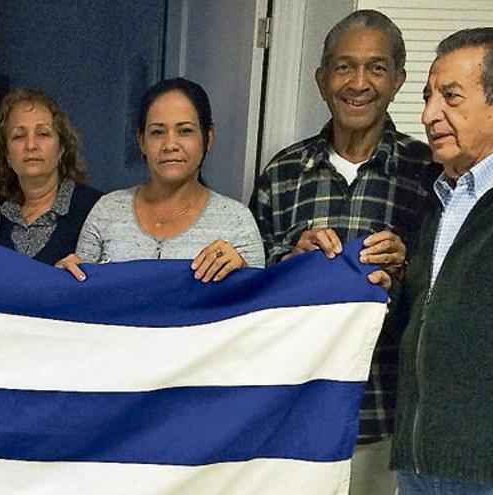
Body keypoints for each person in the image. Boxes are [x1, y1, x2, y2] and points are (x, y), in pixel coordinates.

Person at [249, 10, 438, 495]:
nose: (358, 83)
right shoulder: (282, 174)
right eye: (343, 67)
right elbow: (250, 287)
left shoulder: (431, 174)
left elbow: (456, 296)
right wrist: (290, 264)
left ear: (398, 79)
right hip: (290, 417)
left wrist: (406, 269)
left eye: (376, 68)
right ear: (321, 79)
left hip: (386, 422)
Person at [390, 27, 493, 494]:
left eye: (451, 97)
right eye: (429, 97)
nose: (430, 114)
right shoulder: (436, 199)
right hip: (419, 461)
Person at [59, 77, 264, 281]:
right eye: (157, 132)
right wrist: (63, 278)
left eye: (185, 131)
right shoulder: (107, 210)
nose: (170, 145)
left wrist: (243, 272)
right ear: (141, 141)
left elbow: (260, 308)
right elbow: (80, 294)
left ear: (207, 138)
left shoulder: (237, 222)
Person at [0, 88, 103, 264]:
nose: (31, 145)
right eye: (19, 136)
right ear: (7, 154)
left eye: (43, 134)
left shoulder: (96, 209)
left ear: (61, 148)